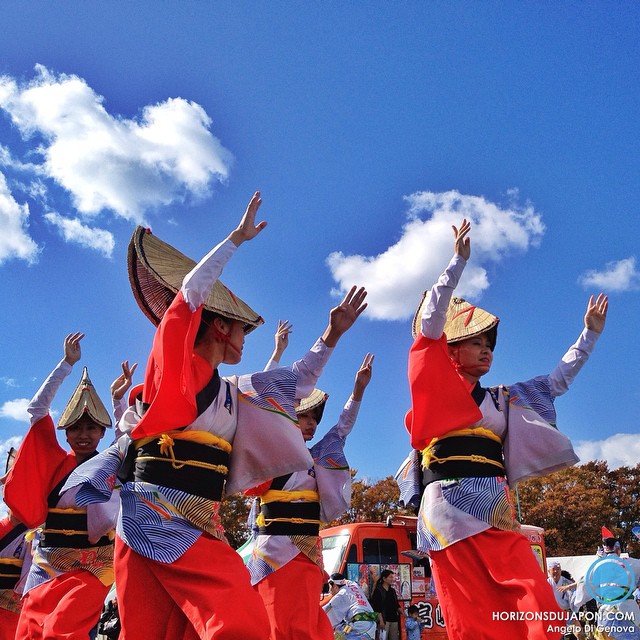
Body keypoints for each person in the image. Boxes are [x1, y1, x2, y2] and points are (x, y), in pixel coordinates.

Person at [62, 192, 368, 640]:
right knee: (238, 620)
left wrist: (331, 334)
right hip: (159, 516)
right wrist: (235, 240)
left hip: (192, 521)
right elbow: (188, 297)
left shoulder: (235, 392)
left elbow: (296, 381)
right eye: (243, 327)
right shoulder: (174, 372)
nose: (246, 337)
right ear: (221, 325)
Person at [398, 219, 608, 639]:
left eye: (490, 345)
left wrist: (589, 335)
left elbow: (556, 383)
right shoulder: (436, 386)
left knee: (536, 599)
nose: (487, 351)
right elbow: (430, 327)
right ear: (452, 350)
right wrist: (456, 263)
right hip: (447, 507)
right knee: (469, 611)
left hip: (495, 502)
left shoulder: (502, 398)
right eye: (477, 342)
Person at [247, 321, 374, 640]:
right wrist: (277, 353)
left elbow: (342, 428)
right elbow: (262, 406)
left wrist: (357, 392)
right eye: (303, 416)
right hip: (272, 552)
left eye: (314, 419)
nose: (311, 424)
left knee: (308, 624)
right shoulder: (271, 453)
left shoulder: (318, 458)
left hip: (307, 551)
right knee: (274, 622)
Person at [4, 333, 121, 640]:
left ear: (101, 432)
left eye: (91, 427)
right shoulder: (55, 463)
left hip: (94, 564)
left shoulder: (110, 464)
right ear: (66, 433)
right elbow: (37, 410)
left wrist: (119, 402)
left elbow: (128, 441)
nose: (83, 434)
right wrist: (66, 364)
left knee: (62, 631)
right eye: (76, 427)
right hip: (47, 561)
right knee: (29, 633)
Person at [323, 573, 378, 640]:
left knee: (336, 634)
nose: (330, 590)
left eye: (329, 587)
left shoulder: (340, 595)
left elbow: (326, 612)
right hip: (370, 624)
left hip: (359, 625)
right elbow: (346, 581)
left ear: (334, 585)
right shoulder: (354, 585)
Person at [369, 569, 403, 640]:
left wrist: (404, 613)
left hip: (394, 619)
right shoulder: (378, 591)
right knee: (383, 638)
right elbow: (377, 608)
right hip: (384, 620)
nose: (392, 579)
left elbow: (396, 605)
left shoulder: (392, 591)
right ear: (384, 578)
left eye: (392, 577)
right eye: (390, 577)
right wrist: (381, 620)